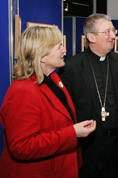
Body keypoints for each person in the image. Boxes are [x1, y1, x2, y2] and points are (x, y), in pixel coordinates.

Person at [0, 26, 96, 178]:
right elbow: (21, 147)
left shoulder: (53, 79)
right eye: (59, 47)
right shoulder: (22, 91)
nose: (64, 50)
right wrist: (72, 133)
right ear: (42, 56)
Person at [58, 14, 118, 178]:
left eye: (113, 30)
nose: (113, 35)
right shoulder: (71, 67)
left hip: (116, 145)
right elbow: (65, 111)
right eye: (107, 32)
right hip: (88, 147)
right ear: (91, 37)